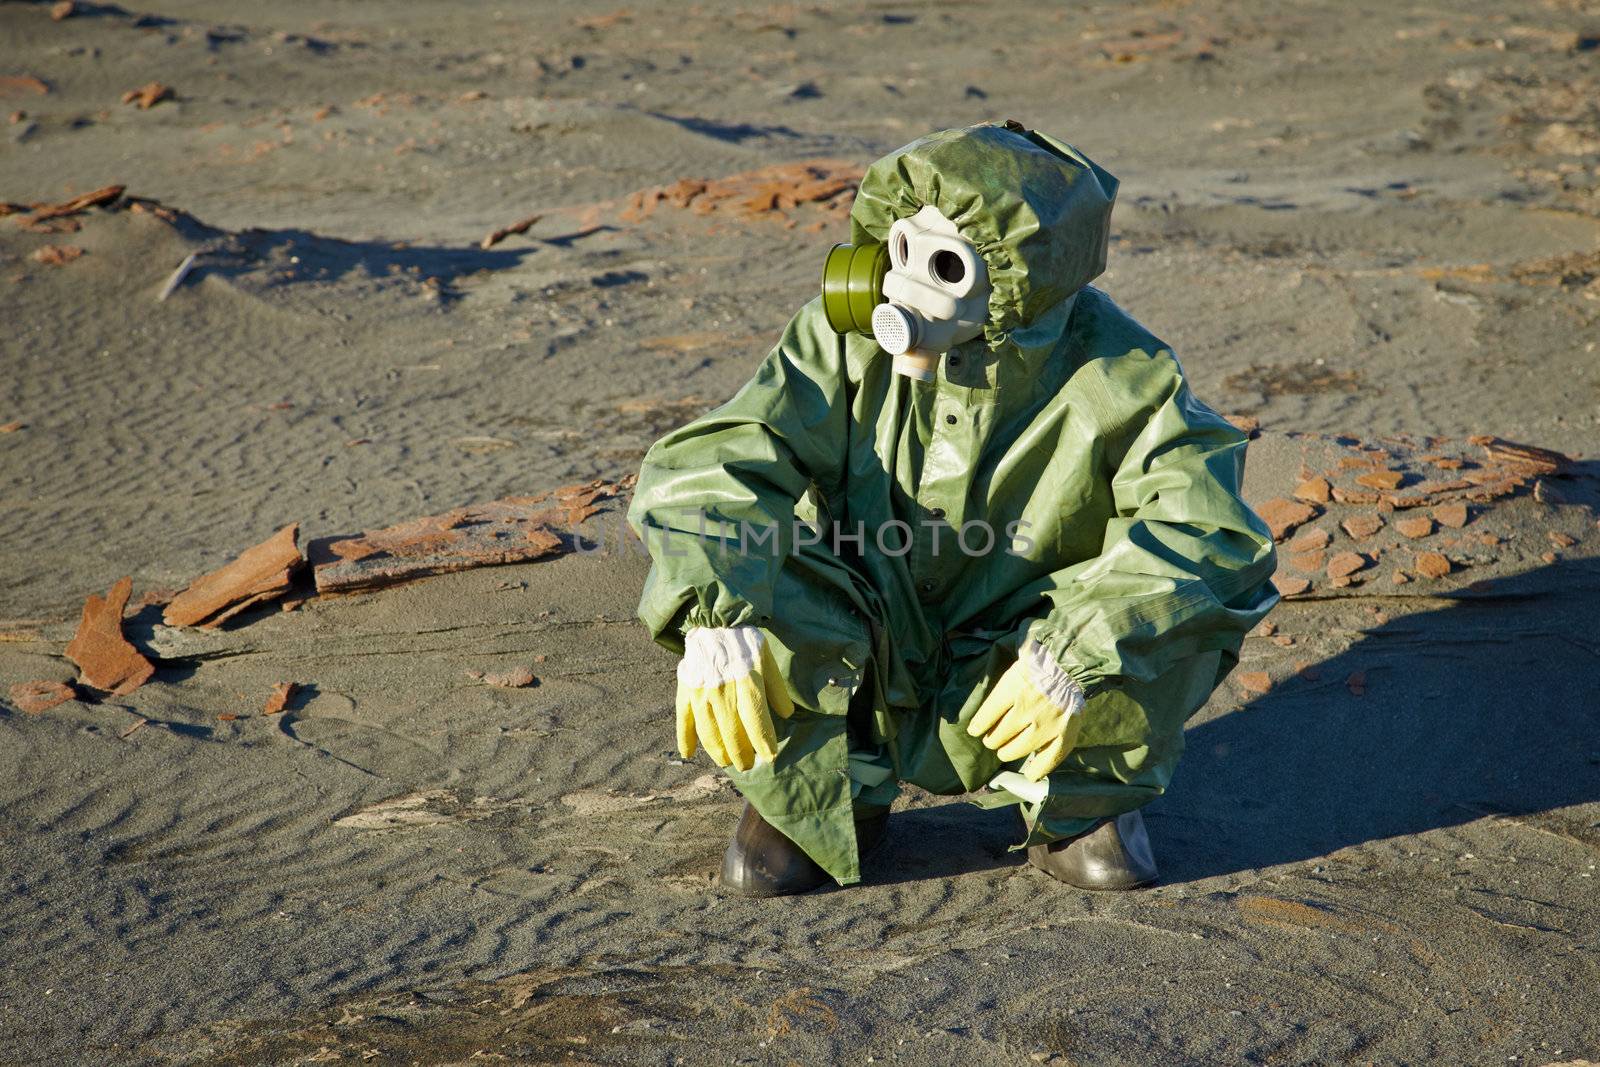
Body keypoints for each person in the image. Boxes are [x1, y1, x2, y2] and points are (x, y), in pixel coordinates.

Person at [628, 121, 1278, 897]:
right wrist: (716, 611)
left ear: (1018, 283)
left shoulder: (1126, 373)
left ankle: (1080, 792)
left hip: (1022, 653)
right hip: (866, 633)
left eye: (945, 266)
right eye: (902, 252)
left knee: (1178, 603)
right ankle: (829, 780)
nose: (907, 289)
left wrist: (1078, 651)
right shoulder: (840, 341)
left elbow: (1206, 529)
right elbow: (714, 463)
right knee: (742, 564)